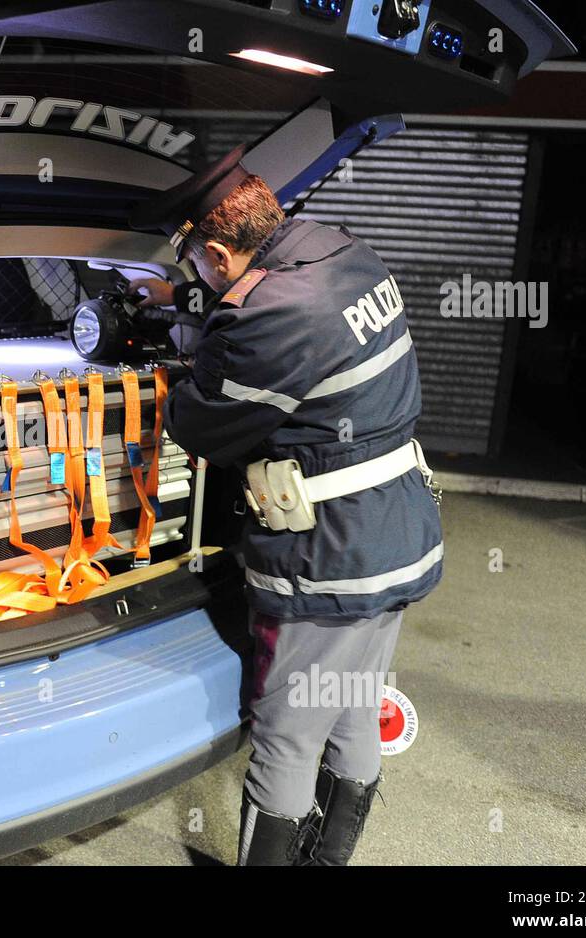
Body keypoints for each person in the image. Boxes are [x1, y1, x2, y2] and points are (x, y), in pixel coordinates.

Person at [128, 145, 443, 865]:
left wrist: (175, 377)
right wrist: (185, 304)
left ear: (215, 249)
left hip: (326, 558)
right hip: (396, 533)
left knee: (286, 733)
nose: (199, 279)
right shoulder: (347, 254)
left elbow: (205, 425)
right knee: (354, 704)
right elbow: (286, 316)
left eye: (197, 268)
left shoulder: (267, 315)